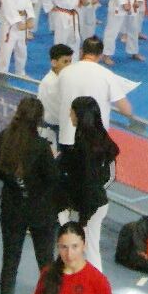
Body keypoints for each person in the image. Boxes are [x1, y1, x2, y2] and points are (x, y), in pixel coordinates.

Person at [0, 96, 60, 294]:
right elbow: (52, 179)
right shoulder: (41, 148)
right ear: (39, 120)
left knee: (10, 261)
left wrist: (17, 185)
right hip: (41, 211)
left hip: (13, 209)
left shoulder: (1, 141)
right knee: (47, 264)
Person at [57, 95, 119, 270]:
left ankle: (95, 287)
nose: (70, 116)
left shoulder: (85, 145)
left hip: (91, 205)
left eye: (72, 113)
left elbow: (87, 180)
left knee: (89, 250)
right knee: (91, 248)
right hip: (96, 202)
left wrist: (83, 216)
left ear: (80, 115)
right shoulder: (97, 138)